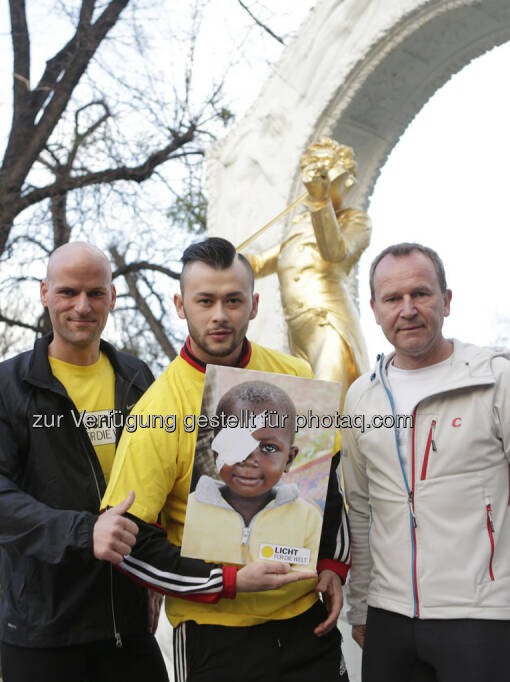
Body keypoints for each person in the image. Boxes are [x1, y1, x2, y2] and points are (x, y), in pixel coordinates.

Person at [96, 237, 351, 681]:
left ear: (253, 305)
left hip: (306, 625)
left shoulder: (295, 376)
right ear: (180, 304)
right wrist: (227, 582)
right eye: (205, 300)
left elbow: (329, 481)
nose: (219, 315)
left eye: (233, 300)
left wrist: (331, 563)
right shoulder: (157, 411)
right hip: (214, 637)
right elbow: (130, 541)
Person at [342, 243, 510, 682]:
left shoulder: (496, 380)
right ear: (374, 309)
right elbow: (359, 509)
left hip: (479, 619)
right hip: (388, 620)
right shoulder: (361, 395)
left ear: (446, 301)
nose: (407, 309)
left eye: (421, 294)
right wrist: (361, 606)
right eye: (393, 299)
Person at [0, 242, 166, 682]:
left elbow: (160, 481)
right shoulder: (3, 386)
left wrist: (156, 573)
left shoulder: (137, 379)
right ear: (45, 293)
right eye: (68, 292)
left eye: (95, 293)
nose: (82, 306)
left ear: (111, 297)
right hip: (42, 632)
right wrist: (83, 531)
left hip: (127, 627)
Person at [246, 137, 371, 400]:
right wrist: (224, 258)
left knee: (324, 408)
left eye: (324, 167)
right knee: (302, 410)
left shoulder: (355, 221)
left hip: (329, 324)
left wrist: (319, 202)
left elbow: (336, 252)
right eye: (312, 168)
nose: (316, 174)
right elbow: (260, 263)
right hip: (298, 332)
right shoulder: (301, 223)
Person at [180, 380, 322, 569]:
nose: (247, 458)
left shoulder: (308, 519)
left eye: (268, 448)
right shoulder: (189, 511)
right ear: (215, 451)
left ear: (289, 459)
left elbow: (308, 575)